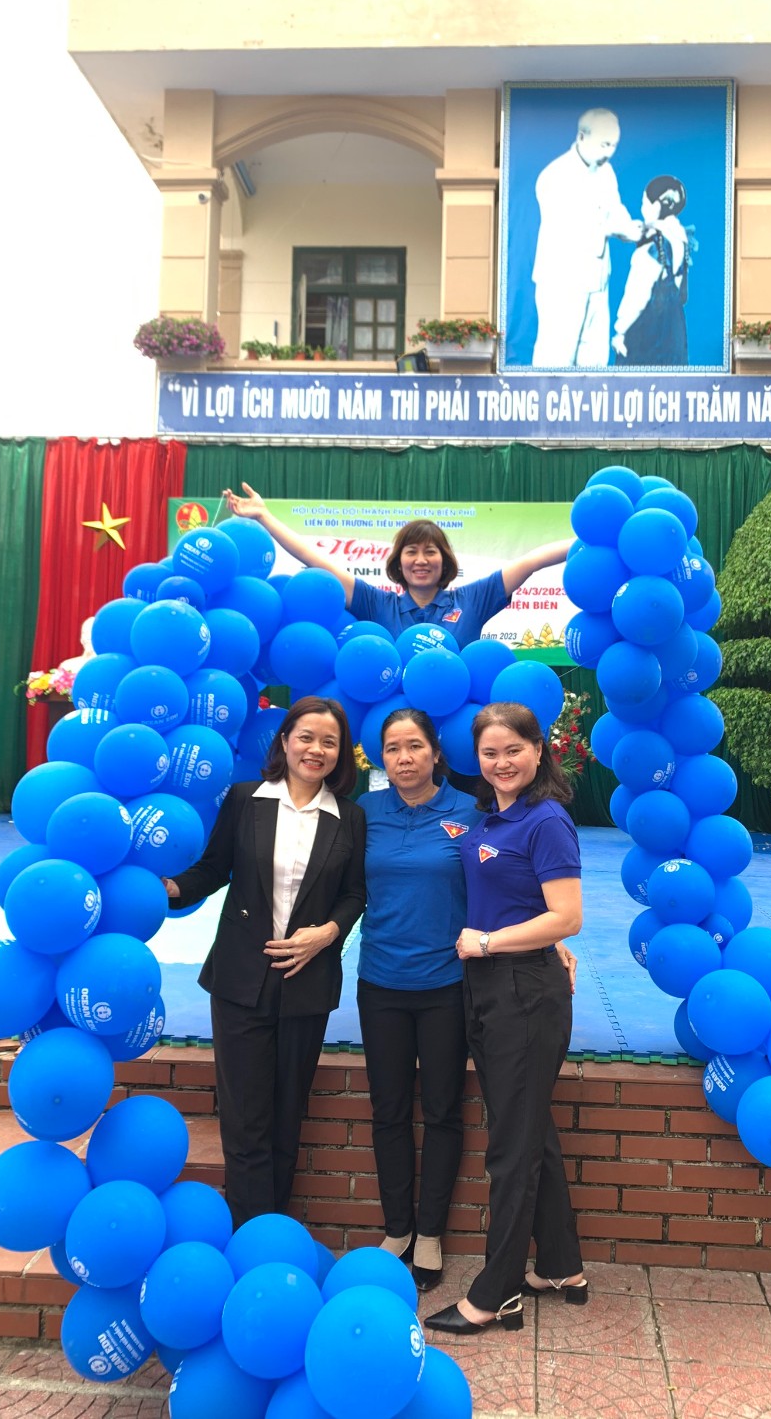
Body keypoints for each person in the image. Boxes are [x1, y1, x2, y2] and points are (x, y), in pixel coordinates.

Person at [162, 696, 366, 1229]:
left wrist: (328, 933)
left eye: (329, 742)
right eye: (306, 737)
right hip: (239, 979)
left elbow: (355, 894)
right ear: (284, 741)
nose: (316, 749)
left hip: (307, 980)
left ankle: (273, 1228)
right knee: (245, 1116)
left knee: (287, 1112)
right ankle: (250, 1233)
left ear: (340, 753)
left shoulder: (350, 817)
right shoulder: (244, 800)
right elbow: (213, 869)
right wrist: (170, 889)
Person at [426, 702, 586, 1337]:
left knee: (511, 1148)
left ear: (538, 751)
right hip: (494, 985)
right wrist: (535, 940)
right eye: (490, 753)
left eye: (514, 750)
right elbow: (527, 903)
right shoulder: (493, 815)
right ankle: (563, 1265)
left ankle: (497, 1293)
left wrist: (494, 942)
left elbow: (567, 915)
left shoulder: (546, 820)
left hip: (522, 992)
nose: (502, 762)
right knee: (528, 1130)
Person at [357, 707, 484, 1292]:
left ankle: (430, 1232)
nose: (404, 758)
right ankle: (398, 1228)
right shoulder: (365, 813)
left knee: (441, 1110)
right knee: (387, 1110)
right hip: (380, 982)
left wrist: (552, 940)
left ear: (435, 751)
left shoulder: (470, 811)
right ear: (381, 758)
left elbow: (500, 884)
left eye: (414, 746)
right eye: (392, 748)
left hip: (445, 986)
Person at [222, 487, 571, 649]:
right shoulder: (376, 603)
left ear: (445, 561)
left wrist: (593, 540)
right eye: (411, 552)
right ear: (398, 563)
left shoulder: (472, 599)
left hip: (459, 739)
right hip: (395, 742)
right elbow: (316, 561)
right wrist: (265, 517)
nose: (421, 560)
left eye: (430, 552)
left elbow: (532, 561)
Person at [530, 107, 647, 369]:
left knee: (594, 359)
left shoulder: (606, 172)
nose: (610, 152)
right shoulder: (555, 175)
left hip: (597, 280)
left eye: (614, 145)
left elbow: (614, 208)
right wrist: (615, 228)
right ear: (582, 136)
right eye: (605, 144)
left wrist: (630, 228)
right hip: (563, 280)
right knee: (557, 357)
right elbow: (568, 226)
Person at [611, 176, 692, 367]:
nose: (642, 209)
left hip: (646, 338)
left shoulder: (652, 245)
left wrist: (620, 332)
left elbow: (637, 296)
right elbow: (682, 295)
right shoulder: (680, 240)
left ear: (656, 206)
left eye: (644, 203)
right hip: (674, 334)